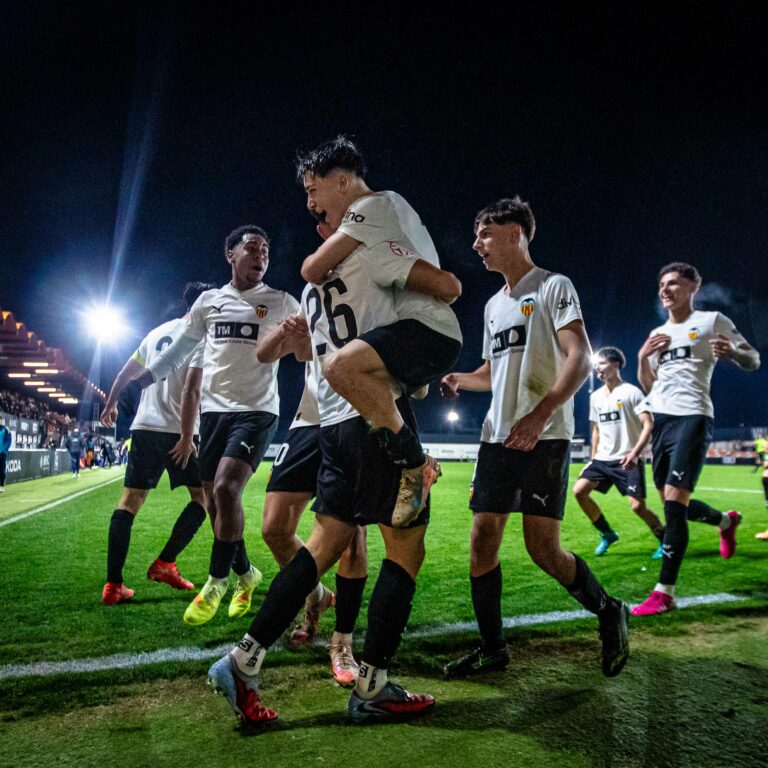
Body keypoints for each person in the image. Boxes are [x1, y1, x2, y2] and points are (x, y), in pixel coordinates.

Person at [205, 170, 450, 727]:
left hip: (331, 425)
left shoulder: (315, 289)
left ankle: (245, 660)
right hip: (372, 418)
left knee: (326, 541)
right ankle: (374, 683)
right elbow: (423, 314)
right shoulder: (372, 259)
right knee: (406, 546)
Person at [440, 197, 629, 680]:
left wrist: (541, 415)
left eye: (484, 232)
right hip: (497, 437)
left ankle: (609, 611)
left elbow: (579, 357)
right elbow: (494, 370)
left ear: (515, 232)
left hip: (544, 436)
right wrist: (464, 379)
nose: (476, 243)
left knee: (542, 548)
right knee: (483, 538)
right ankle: (492, 648)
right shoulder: (493, 304)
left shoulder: (553, 286)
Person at [138, 226, 303, 626]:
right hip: (214, 416)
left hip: (257, 412)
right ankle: (247, 575)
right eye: (251, 248)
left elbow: (308, 348)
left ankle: (217, 581)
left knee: (228, 488)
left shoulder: (282, 302)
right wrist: (140, 382)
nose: (261, 255)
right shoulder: (209, 303)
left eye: (266, 249)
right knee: (215, 504)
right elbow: (180, 350)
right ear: (230, 254)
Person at [298, 136, 463, 525]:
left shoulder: (373, 206)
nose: (310, 205)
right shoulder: (383, 224)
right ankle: (407, 383)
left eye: (312, 190)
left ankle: (415, 463)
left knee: (339, 368)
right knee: (356, 373)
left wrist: (332, 246)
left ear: (341, 181)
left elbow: (311, 269)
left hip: (424, 330)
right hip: (411, 331)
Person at [632, 262, 760, 616]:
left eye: (673, 283)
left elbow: (753, 359)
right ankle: (725, 521)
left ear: (693, 287)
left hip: (694, 416)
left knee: (674, 506)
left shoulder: (711, 321)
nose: (665, 289)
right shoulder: (658, 333)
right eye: (661, 284)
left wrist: (733, 353)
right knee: (673, 505)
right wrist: (643, 357)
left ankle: (664, 593)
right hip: (662, 420)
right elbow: (649, 386)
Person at [98, 282, 215, 606]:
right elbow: (191, 390)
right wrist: (188, 436)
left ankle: (113, 584)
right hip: (180, 430)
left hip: (145, 428)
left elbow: (126, 372)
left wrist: (111, 404)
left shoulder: (156, 333)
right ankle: (165, 562)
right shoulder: (200, 336)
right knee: (204, 497)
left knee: (129, 502)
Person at [261, 363, 367, 686]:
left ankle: (342, 641)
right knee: (274, 527)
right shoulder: (302, 307)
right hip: (308, 418)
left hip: (355, 415)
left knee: (351, 532)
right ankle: (317, 594)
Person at [572, 347, 665, 558]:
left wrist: (635, 453)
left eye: (602, 363)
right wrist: (593, 458)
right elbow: (596, 429)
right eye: (597, 365)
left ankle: (663, 537)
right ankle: (607, 533)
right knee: (579, 491)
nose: (598, 368)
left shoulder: (632, 392)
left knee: (637, 507)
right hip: (602, 459)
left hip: (627, 459)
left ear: (616, 364)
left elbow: (648, 424)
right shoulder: (595, 397)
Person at [0, 419, 11, 492]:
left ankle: (2, 486)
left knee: (2, 470)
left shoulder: (6, 429)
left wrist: (4, 450)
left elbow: (9, 440)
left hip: (2, 453)